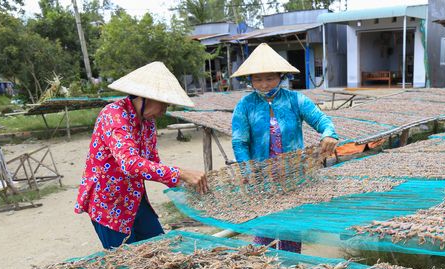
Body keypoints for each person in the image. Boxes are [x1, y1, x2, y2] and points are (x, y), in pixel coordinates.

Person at [75, 61, 208, 249]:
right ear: (145, 97)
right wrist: (180, 173)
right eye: (163, 104)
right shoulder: (113, 116)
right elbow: (129, 163)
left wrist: (182, 184)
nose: (163, 111)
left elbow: (152, 162)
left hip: (135, 200)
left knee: (160, 248)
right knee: (127, 263)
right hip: (108, 204)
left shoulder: (147, 123)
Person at [230, 43, 338, 253]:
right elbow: (239, 142)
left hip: (294, 177)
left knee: (291, 230)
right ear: (250, 80)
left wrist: (329, 134)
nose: (264, 84)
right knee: (264, 229)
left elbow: (322, 120)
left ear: (280, 76)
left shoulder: (295, 100)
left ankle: (290, 267)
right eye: (258, 79)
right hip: (262, 178)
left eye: (270, 78)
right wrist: (248, 171)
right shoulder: (245, 105)